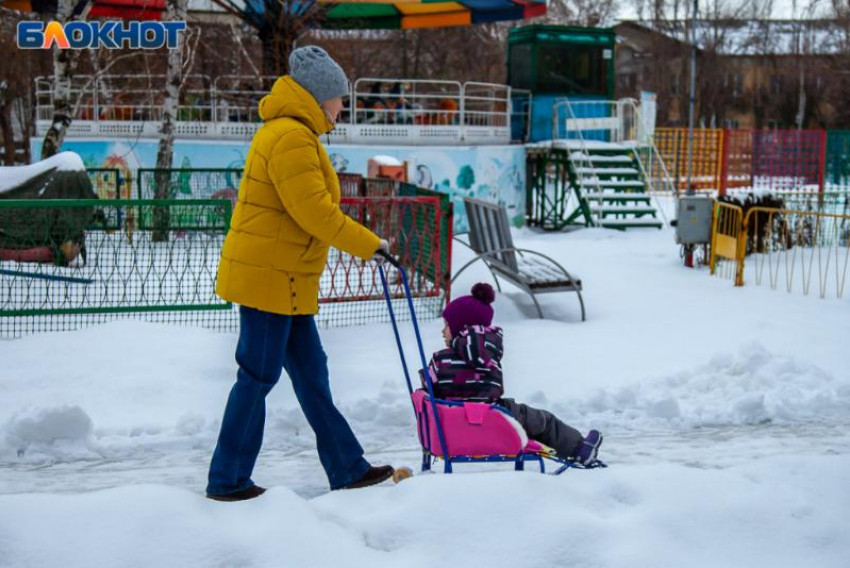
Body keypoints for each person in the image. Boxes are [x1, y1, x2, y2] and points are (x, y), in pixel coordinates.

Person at [206, 46, 394, 502]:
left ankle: (347, 467)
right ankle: (227, 479)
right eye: (339, 98)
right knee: (257, 377)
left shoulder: (296, 133)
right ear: (320, 96)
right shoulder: (290, 137)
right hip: (270, 280)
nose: (343, 107)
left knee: (312, 376)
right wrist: (372, 245)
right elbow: (316, 213)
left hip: (285, 280)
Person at [423, 283, 603, 465]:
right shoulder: (490, 358)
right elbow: (494, 391)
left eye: (446, 325)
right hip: (494, 421)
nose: (442, 331)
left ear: (460, 327)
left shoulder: (439, 360)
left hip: (453, 432)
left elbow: (429, 392)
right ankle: (578, 448)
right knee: (542, 421)